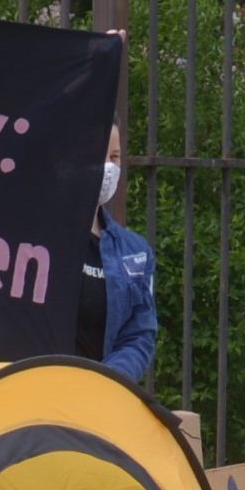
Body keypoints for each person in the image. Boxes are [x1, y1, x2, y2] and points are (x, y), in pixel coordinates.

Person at [79, 127, 155, 385]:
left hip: (101, 402)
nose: (108, 168)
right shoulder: (38, 241)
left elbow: (139, 334)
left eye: (115, 157)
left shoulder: (135, 251)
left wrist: (109, 380)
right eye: (100, 155)